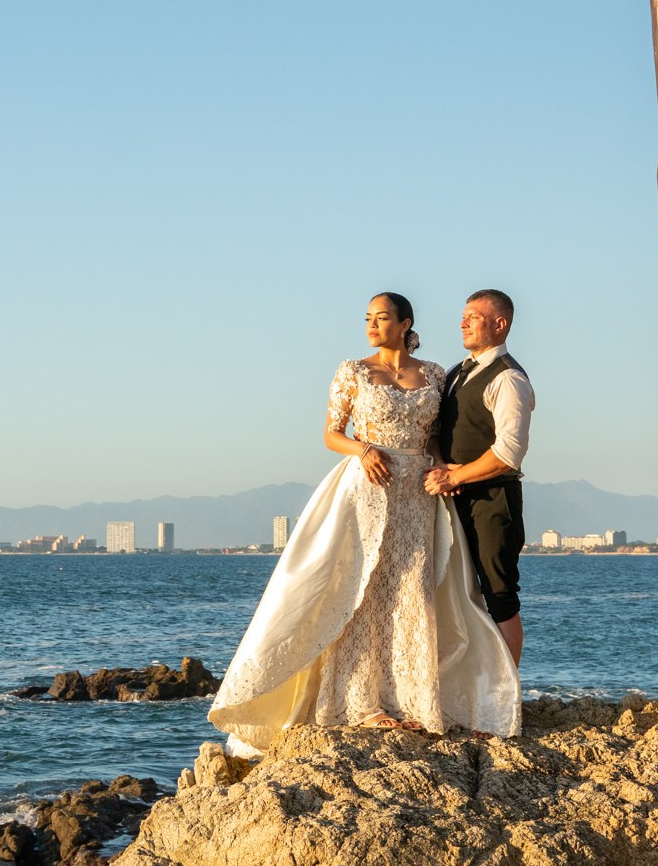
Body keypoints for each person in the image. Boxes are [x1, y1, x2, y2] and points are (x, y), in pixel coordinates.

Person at [207, 292, 519, 757]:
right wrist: (365, 451)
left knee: (414, 590)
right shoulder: (352, 371)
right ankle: (360, 702)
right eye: (368, 318)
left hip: (418, 492)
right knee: (362, 590)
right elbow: (332, 434)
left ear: (405, 322)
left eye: (382, 317)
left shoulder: (435, 373)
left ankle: (413, 698)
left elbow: (436, 435)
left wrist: (439, 471)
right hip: (367, 486)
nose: (372, 325)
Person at [425, 289, 535, 666]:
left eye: (473, 316)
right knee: (458, 592)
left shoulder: (509, 380)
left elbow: (508, 453)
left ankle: (506, 702)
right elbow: (438, 430)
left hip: (493, 502)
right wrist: (440, 465)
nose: (463, 322)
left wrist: (455, 477)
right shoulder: (456, 373)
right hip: (453, 498)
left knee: (499, 596)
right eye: (463, 315)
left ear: (499, 324)